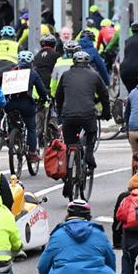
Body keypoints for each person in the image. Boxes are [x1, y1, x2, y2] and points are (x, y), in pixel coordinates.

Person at [37, 200, 121, 274]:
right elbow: (110, 259)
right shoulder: (98, 233)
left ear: (68, 215)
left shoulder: (58, 234)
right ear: (88, 216)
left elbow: (43, 265)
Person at [55, 51, 110, 191]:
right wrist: (106, 113)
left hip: (68, 115)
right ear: (87, 63)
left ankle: (68, 178)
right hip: (87, 114)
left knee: (69, 145)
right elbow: (104, 94)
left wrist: (61, 115)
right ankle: (89, 154)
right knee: (91, 132)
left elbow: (58, 97)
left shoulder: (65, 75)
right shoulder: (94, 75)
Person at [3, 50, 49, 166]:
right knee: (31, 127)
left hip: (10, 103)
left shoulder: (11, 71)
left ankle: (10, 135)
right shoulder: (32, 73)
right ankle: (32, 153)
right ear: (31, 62)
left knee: (11, 117)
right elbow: (41, 90)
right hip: (26, 104)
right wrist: (45, 98)